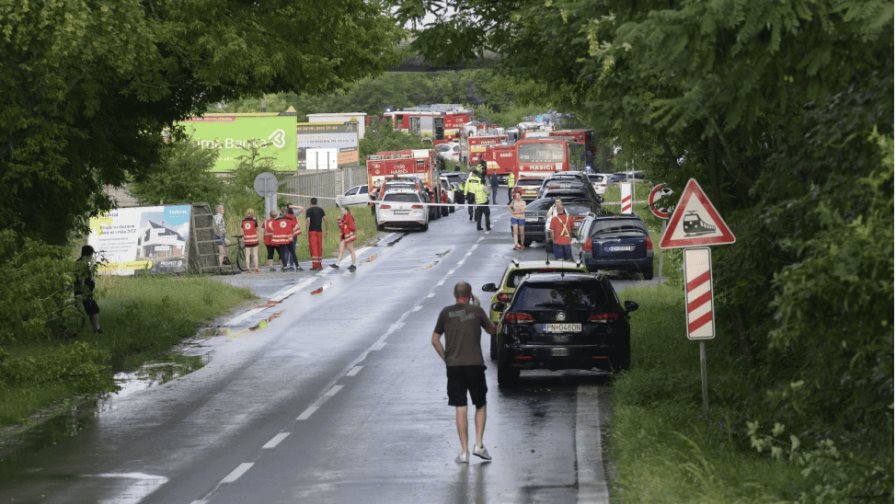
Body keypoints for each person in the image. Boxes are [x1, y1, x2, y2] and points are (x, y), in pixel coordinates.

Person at [431, 281, 497, 464]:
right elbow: (493, 330)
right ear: (469, 295)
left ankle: (464, 452)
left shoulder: (445, 312)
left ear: (455, 295)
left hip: (454, 367)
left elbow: (435, 340)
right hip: (475, 365)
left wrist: (446, 359)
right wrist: (478, 308)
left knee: (460, 407)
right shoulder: (477, 311)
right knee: (480, 404)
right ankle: (479, 445)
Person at [74, 245, 102, 333]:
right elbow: (81, 280)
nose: (91, 258)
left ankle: (95, 329)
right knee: (95, 309)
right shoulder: (83, 265)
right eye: (91, 256)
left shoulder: (77, 262)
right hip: (85, 291)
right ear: (86, 255)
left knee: (90, 310)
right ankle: (97, 329)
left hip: (79, 290)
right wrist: (85, 291)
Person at [330, 206, 357, 272]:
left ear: (346, 210)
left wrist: (348, 231)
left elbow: (353, 228)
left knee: (351, 250)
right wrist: (339, 221)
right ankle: (337, 264)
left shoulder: (349, 217)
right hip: (344, 236)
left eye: (342, 210)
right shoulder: (344, 217)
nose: (341, 211)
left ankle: (353, 265)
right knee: (341, 250)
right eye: (341, 210)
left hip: (348, 236)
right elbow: (341, 227)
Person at [305, 198, 327, 270]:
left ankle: (315, 265)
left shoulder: (308, 210)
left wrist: (306, 230)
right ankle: (320, 265)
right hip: (319, 231)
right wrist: (327, 229)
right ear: (316, 202)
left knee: (313, 248)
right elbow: (325, 219)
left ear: (310, 203)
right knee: (319, 247)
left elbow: (308, 220)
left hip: (312, 231)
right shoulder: (321, 210)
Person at [285, 204, 305, 271]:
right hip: (293, 233)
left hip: (287, 234)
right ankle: (291, 265)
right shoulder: (294, 214)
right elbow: (302, 208)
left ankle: (286, 265)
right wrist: (294, 206)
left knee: (287, 250)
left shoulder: (284, 214)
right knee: (292, 250)